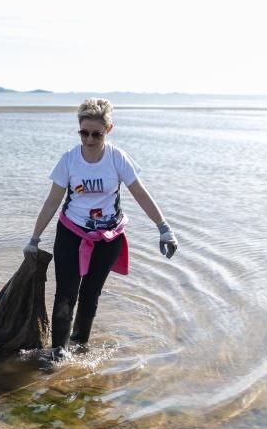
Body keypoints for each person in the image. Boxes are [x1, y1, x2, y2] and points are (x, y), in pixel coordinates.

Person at [24, 97, 177, 357]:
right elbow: (52, 203)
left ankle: (80, 345)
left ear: (108, 130)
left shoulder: (117, 158)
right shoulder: (69, 160)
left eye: (96, 133)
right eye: (84, 133)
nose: (89, 139)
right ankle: (59, 353)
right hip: (71, 234)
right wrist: (34, 239)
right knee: (65, 295)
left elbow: (140, 193)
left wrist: (164, 228)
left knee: (90, 294)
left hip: (108, 238)